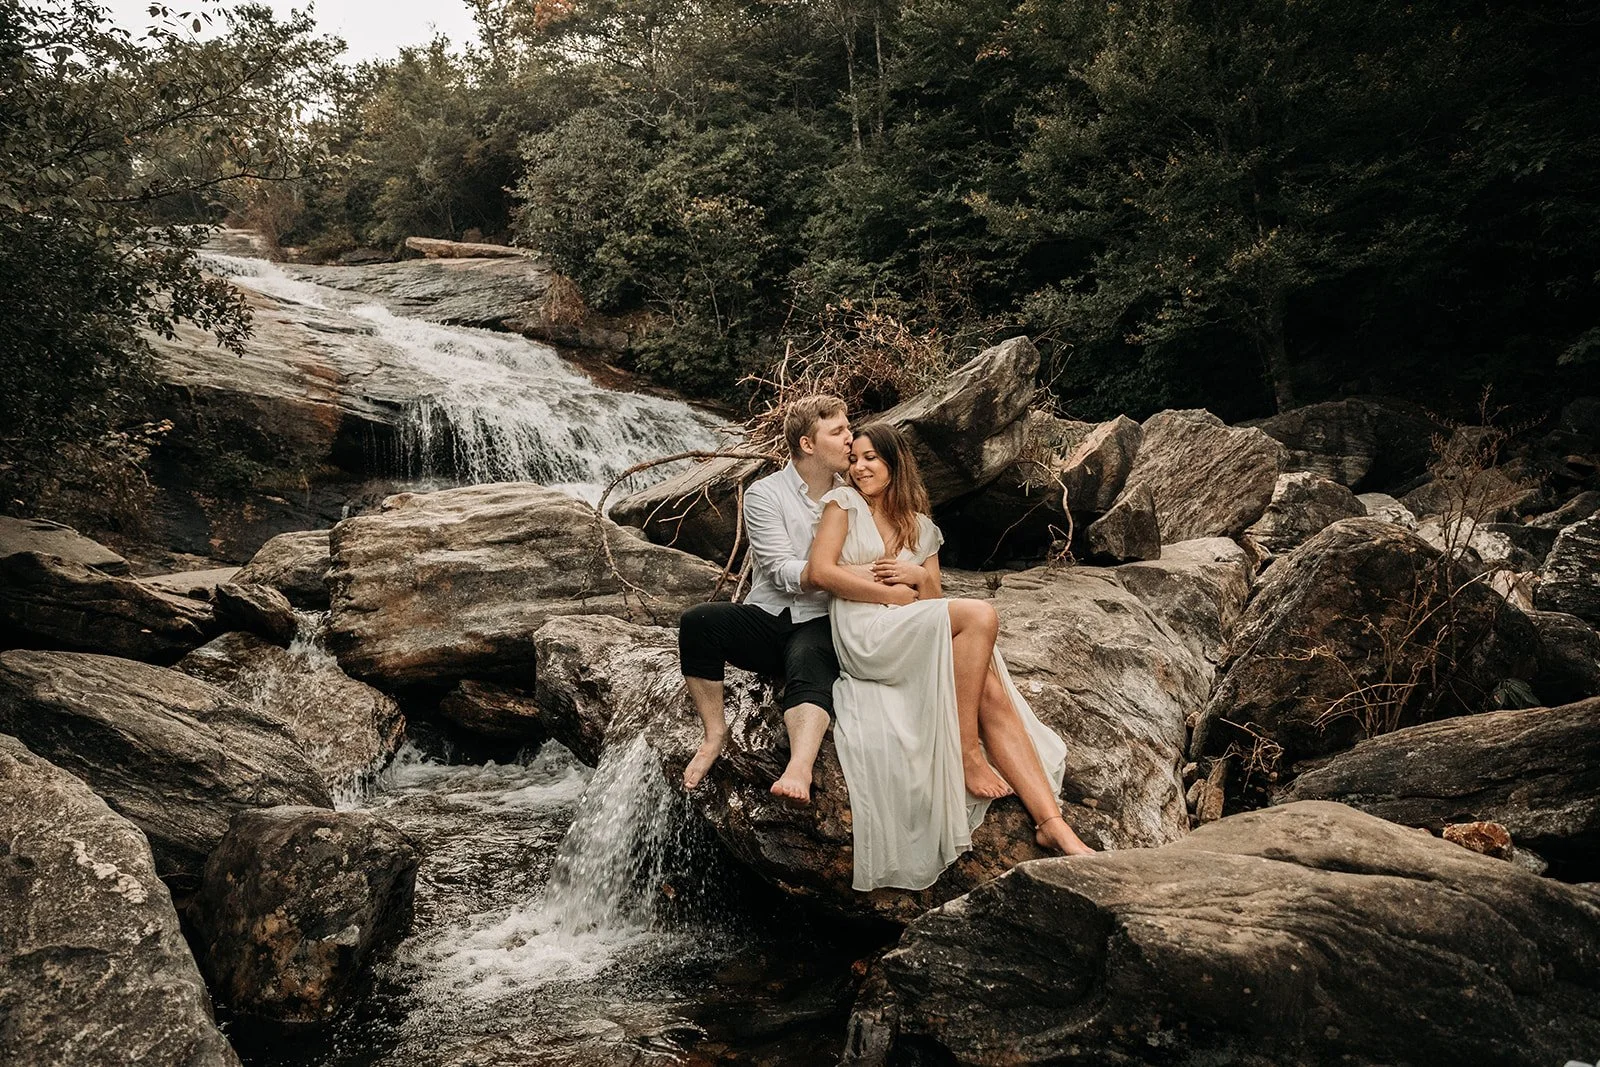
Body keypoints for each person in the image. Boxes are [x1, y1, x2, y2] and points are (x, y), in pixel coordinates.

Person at [807, 422, 1095, 891]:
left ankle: (1050, 821)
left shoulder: (922, 527)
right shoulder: (843, 506)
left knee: (991, 693)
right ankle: (966, 753)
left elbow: (935, 595)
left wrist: (914, 575)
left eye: (870, 458)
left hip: (908, 628)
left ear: (894, 463)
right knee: (979, 617)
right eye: (854, 458)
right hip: (865, 635)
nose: (859, 468)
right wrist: (891, 594)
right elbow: (820, 572)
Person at [678, 394, 855, 803]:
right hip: (769, 617)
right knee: (698, 622)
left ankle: (800, 767)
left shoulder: (855, 495)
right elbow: (779, 570)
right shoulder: (764, 494)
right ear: (807, 444)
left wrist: (832, 579)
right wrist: (827, 573)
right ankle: (715, 733)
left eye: (848, 429)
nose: (850, 438)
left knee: (809, 659)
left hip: (825, 621)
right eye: (838, 431)